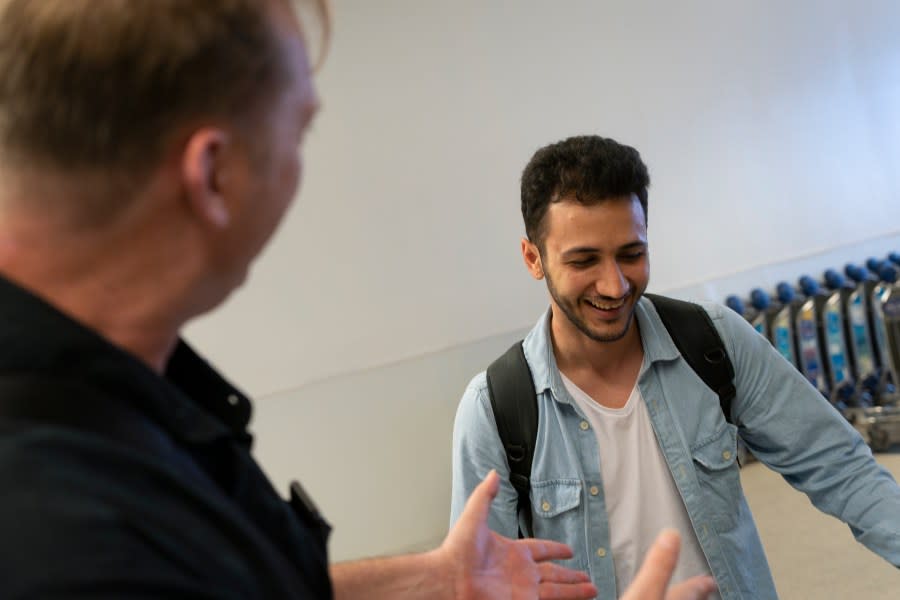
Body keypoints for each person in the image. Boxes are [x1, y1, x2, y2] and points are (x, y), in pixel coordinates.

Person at [0, 2, 717, 599]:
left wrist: (432, 579)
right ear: (214, 174)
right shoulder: (66, 528)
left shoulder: (107, 404)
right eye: (298, 130)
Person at [450, 135, 900, 598]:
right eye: (584, 260)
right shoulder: (495, 411)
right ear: (533, 258)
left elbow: (840, 467)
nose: (614, 284)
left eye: (632, 254)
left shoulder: (712, 341)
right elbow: (481, 585)